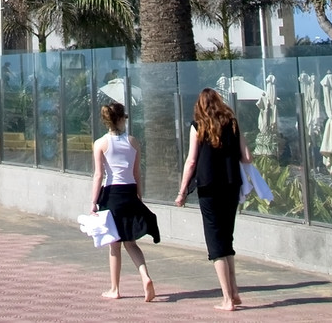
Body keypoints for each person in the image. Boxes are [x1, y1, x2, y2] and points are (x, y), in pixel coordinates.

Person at [176, 88, 252, 313]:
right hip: (231, 185)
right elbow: (247, 156)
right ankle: (235, 291)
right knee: (226, 238)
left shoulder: (197, 126)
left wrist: (182, 192)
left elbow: (191, 161)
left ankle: (227, 299)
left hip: (208, 187)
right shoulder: (233, 123)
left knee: (215, 244)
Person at [90, 101, 159, 302]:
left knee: (114, 244)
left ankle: (115, 288)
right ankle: (145, 276)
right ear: (121, 119)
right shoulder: (133, 142)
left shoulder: (100, 143)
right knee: (131, 242)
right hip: (130, 192)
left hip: (112, 193)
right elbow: (137, 172)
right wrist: (139, 194)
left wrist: (93, 202)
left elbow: (98, 174)